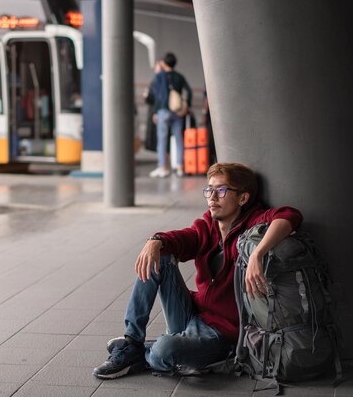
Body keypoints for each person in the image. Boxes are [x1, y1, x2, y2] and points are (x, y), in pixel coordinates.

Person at [93, 162, 303, 379]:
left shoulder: (252, 223)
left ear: (243, 198)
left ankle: (148, 353)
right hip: (193, 314)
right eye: (209, 190)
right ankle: (132, 341)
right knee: (160, 256)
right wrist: (155, 241)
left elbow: (289, 215)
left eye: (221, 190)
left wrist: (257, 254)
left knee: (163, 352)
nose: (212, 197)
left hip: (223, 334)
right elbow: (184, 238)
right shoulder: (207, 226)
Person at [148, 52, 192, 178]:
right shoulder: (179, 77)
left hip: (163, 112)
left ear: (163, 63)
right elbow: (188, 91)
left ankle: (163, 167)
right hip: (177, 112)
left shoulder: (159, 76)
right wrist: (186, 106)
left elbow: (156, 96)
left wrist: (156, 111)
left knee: (162, 140)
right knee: (179, 140)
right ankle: (180, 167)